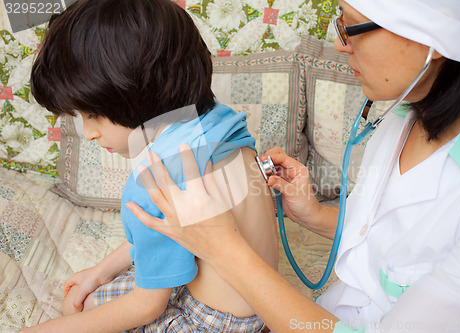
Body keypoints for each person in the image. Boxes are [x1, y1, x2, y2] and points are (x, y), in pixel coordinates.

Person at [125, 0, 460, 332]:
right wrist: (315, 215)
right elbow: (400, 247)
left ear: (435, 36)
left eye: (351, 27)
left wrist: (225, 250)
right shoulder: (405, 114)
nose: (340, 43)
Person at [26, 0, 278, 332]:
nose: (88, 133)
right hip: (268, 302)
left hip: (208, 323)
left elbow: (147, 306)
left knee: (80, 312)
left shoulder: (156, 177)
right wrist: (99, 273)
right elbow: (163, 227)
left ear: (135, 93)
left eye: (92, 115)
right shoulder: (220, 120)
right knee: (93, 296)